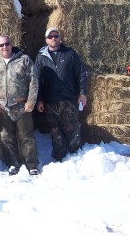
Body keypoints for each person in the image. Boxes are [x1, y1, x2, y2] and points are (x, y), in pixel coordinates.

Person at [0, 35, 40, 176]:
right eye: (1, 45)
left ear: (11, 44)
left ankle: (32, 165)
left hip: (22, 106)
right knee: (6, 137)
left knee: (26, 136)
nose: (4, 47)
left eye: (7, 44)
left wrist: (31, 102)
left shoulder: (24, 60)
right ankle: (12, 164)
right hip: (4, 107)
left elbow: (34, 82)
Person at [35, 27, 88, 161]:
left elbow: (80, 74)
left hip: (68, 98)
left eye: (56, 36)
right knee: (55, 130)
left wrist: (82, 93)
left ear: (60, 38)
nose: (54, 39)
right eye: (51, 37)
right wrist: (39, 100)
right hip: (50, 100)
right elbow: (36, 80)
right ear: (46, 40)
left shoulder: (70, 53)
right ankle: (59, 156)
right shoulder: (41, 58)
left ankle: (75, 154)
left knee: (72, 127)